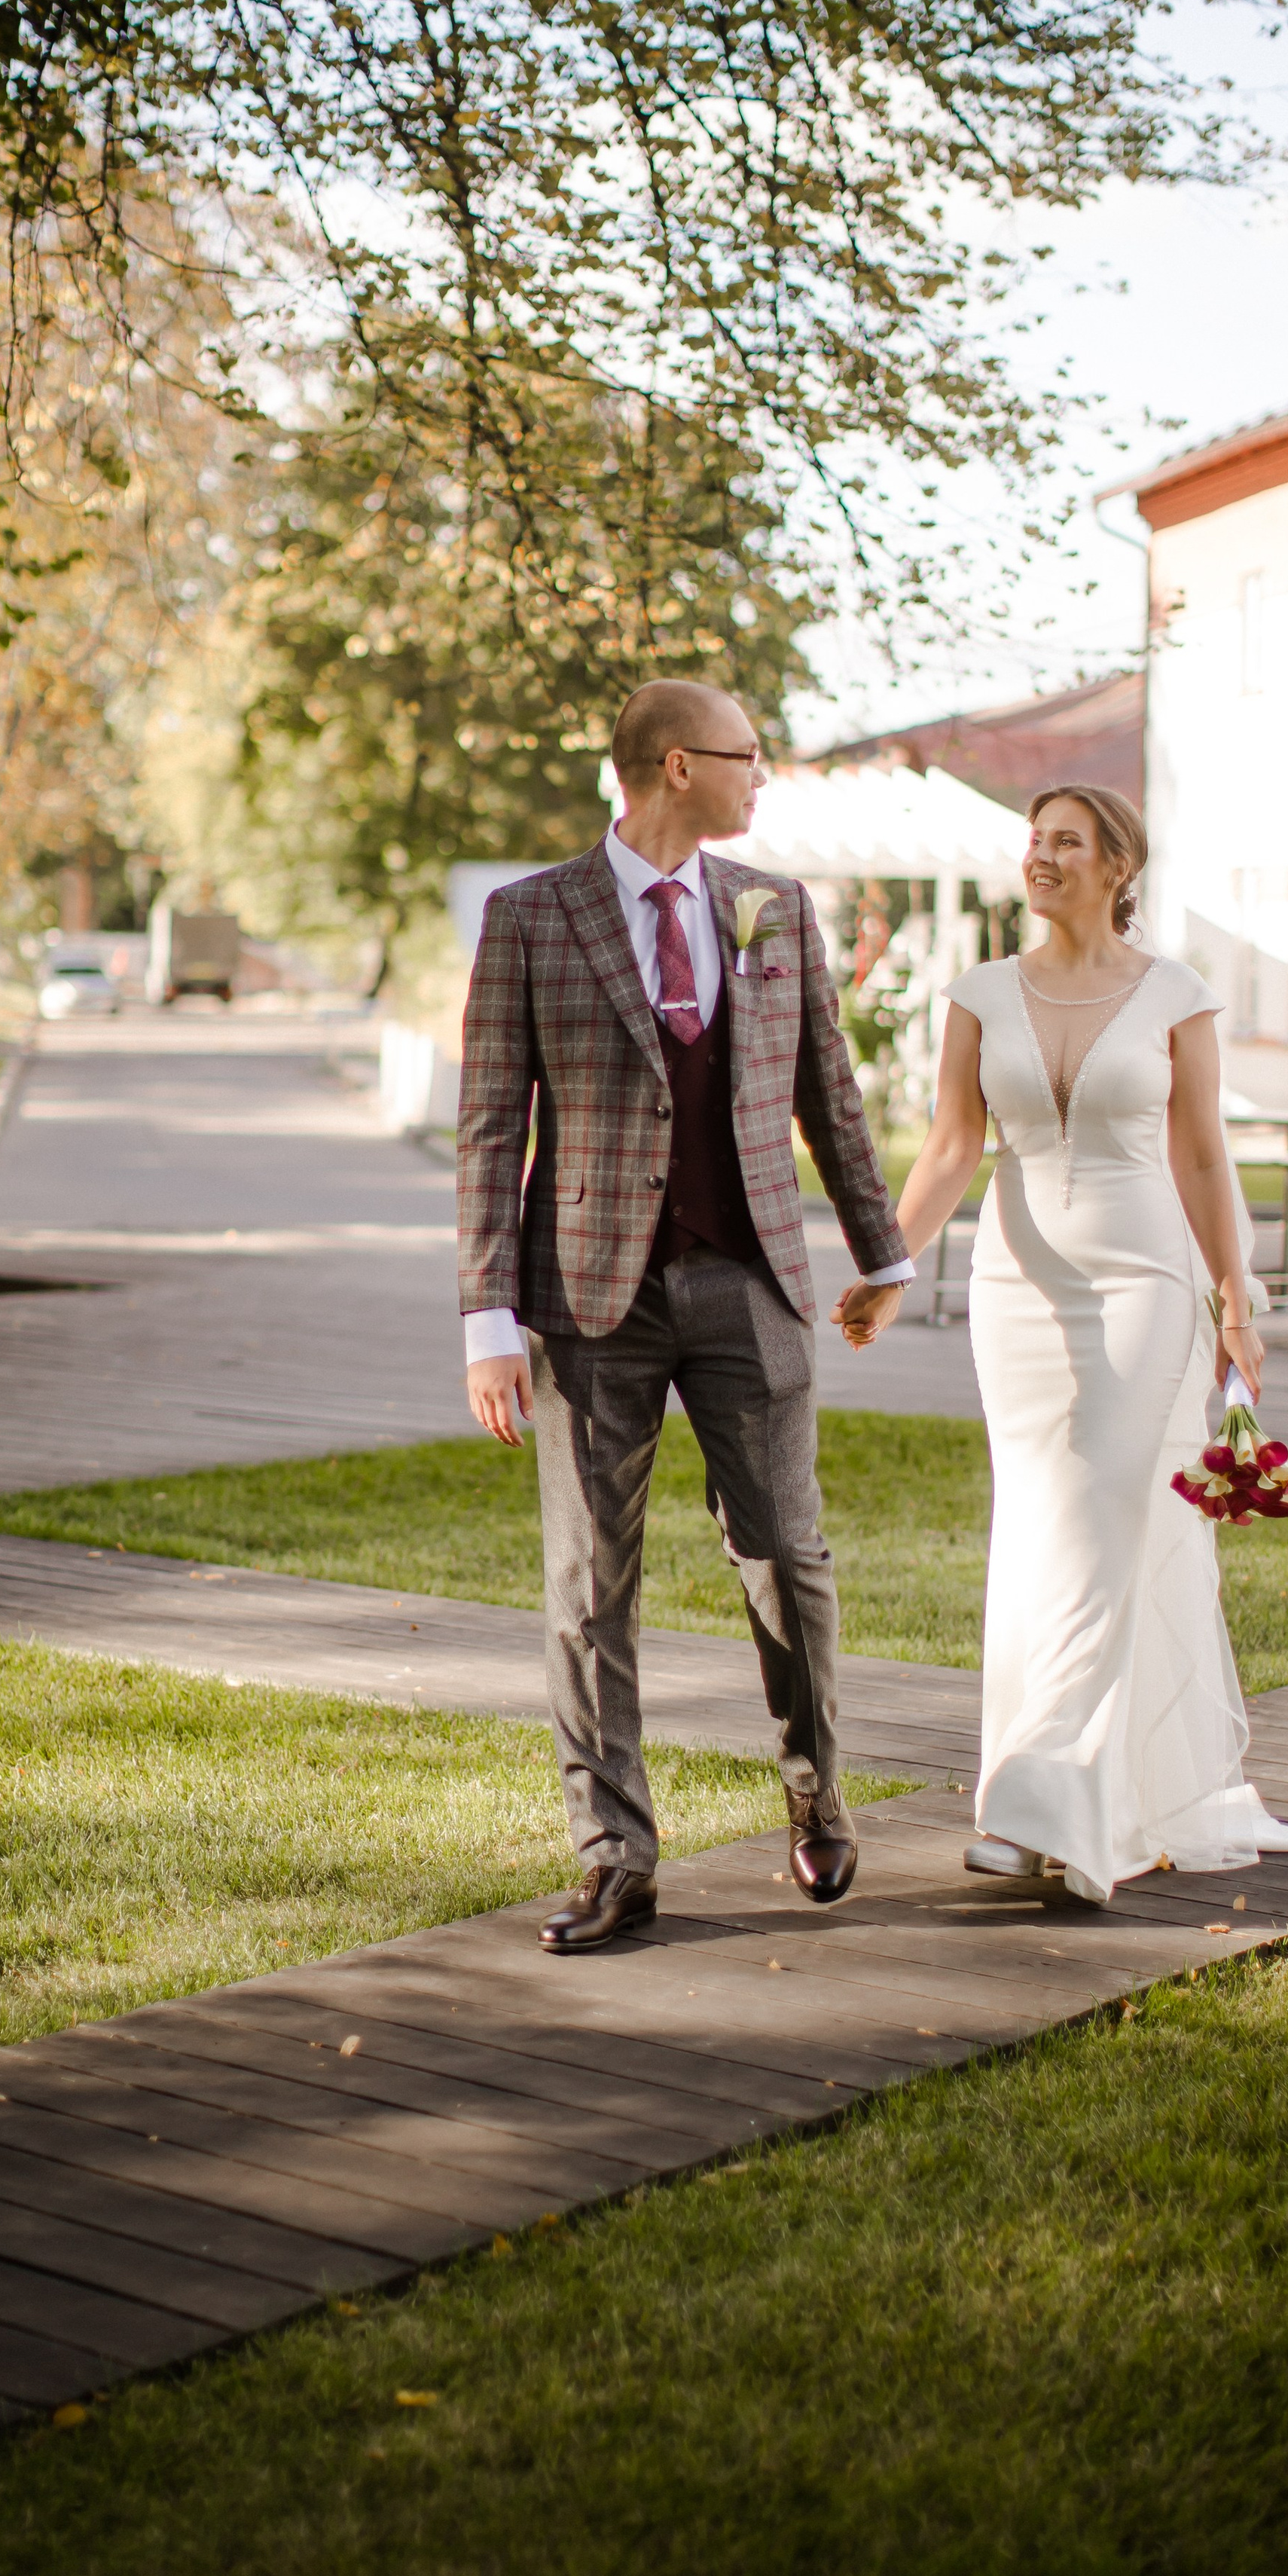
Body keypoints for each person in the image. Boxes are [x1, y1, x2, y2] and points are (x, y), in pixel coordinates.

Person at [457, 679, 912, 1952]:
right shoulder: (532, 917)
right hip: (586, 1299)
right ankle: (613, 1857)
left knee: (787, 1561)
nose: (762, 777)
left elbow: (832, 1092)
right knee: (588, 1584)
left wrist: (882, 1252)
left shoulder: (775, 908)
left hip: (749, 1284)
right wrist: (486, 1318)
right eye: (746, 757)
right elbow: (494, 1124)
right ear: (673, 767)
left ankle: (815, 1796)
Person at [873, 783, 1288, 1906]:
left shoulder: (1178, 997)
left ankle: (1034, 1808)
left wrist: (1235, 1300)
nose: (1042, 855)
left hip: (1144, 1286)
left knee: (1106, 1531)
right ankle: (1053, 1801)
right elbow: (951, 1149)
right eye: (1035, 839)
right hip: (1016, 1295)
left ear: (1120, 866)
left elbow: (1205, 1160)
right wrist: (890, 1267)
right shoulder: (978, 994)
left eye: (1067, 841)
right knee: (1036, 1535)